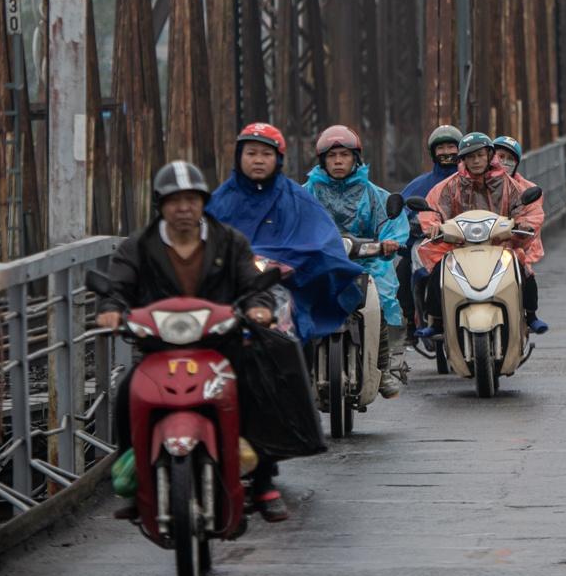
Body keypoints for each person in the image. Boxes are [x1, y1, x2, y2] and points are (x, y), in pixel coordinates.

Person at [97, 160, 288, 521]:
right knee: (127, 394)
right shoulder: (138, 246)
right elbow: (117, 288)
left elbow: (252, 284)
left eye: (191, 200)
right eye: (174, 201)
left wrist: (259, 307)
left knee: (258, 388)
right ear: (160, 206)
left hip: (221, 347)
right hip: (159, 349)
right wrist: (110, 309)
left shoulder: (229, 242)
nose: (183, 208)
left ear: (203, 203)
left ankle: (263, 481)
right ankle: (137, 479)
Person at [208, 123, 365, 345]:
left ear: (278, 158)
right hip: (231, 284)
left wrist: (291, 264)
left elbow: (323, 239)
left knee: (291, 332)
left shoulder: (295, 199)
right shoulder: (220, 201)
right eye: (251, 153)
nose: (259, 160)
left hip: (284, 284)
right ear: (238, 156)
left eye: (266, 154)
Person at [304, 125, 410, 397]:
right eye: (332, 156)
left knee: (381, 301)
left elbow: (392, 219)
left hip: (366, 261)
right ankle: (301, 370)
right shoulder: (306, 193)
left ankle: (383, 368)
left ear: (356, 159)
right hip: (321, 264)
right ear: (322, 161)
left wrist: (389, 242)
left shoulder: (373, 194)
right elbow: (293, 222)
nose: (338, 161)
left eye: (344, 155)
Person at [417, 131, 547, 335]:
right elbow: (432, 208)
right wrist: (432, 225)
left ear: (489, 155)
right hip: (459, 247)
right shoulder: (450, 185)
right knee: (438, 273)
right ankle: (436, 321)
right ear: (463, 160)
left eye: (479, 155)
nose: (475, 161)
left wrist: (524, 224)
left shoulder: (509, 184)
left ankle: (530, 315)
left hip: (501, 246)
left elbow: (526, 209)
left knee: (523, 271)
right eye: (470, 156)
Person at [398, 124, 463, 333]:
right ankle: (410, 320)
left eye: (451, 147)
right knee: (404, 267)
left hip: (468, 243)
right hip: (431, 244)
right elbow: (403, 214)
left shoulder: (472, 181)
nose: (446, 153)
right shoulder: (419, 185)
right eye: (440, 148)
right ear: (433, 153)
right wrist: (414, 225)